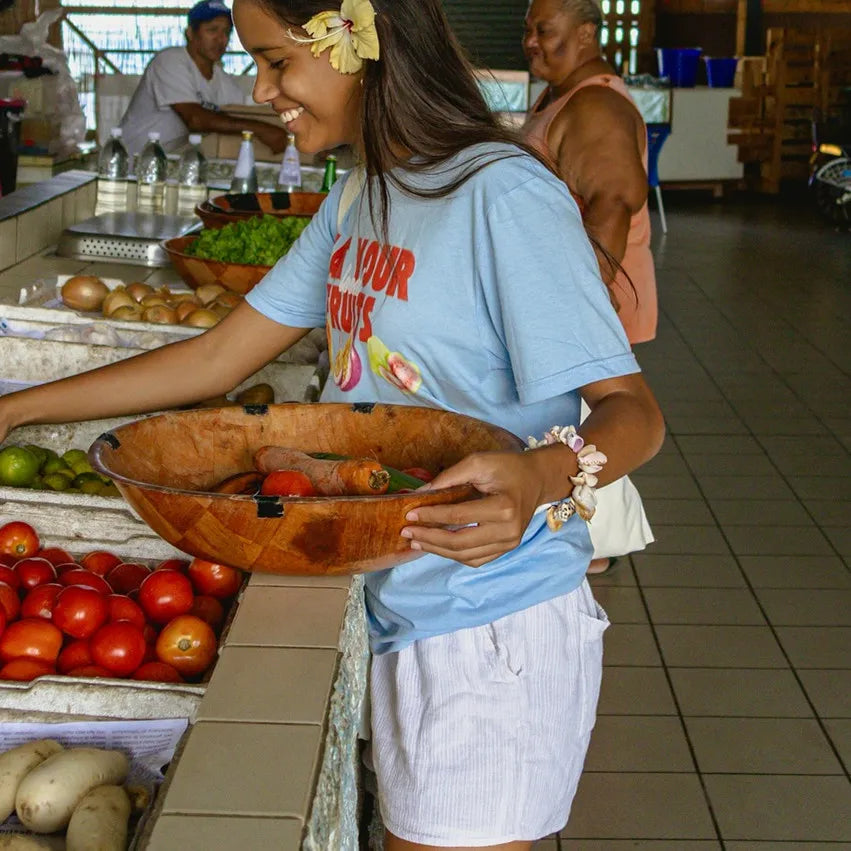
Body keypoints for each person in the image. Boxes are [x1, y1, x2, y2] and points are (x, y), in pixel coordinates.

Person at [0, 0, 665, 847]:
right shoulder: (362, 193)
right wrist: (16, 409)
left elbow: (633, 413)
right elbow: (218, 358)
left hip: (489, 622)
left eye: (277, 61)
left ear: (360, 48)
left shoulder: (497, 192)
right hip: (394, 597)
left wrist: (540, 476)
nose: (260, 86)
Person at [523, 0, 657, 574]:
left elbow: (613, 205)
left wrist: (576, 312)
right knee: (572, 423)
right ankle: (585, 541)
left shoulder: (598, 104)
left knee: (586, 422)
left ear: (585, 33)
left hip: (585, 301)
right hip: (567, 296)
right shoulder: (563, 94)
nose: (530, 41)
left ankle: (588, 550)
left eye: (543, 30)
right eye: (527, 29)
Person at [119, 0, 290, 156]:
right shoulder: (170, 61)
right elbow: (195, 119)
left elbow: (237, 114)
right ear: (190, 33)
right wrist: (262, 130)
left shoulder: (222, 80)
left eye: (226, 32)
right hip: (129, 160)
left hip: (165, 161)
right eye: (212, 30)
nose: (221, 39)